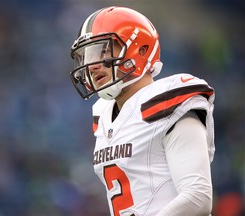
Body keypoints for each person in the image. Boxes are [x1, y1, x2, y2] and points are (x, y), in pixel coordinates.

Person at [69, 6, 215, 216]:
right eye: (87, 56)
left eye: (103, 51)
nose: (92, 65)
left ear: (140, 50)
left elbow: (198, 197)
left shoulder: (170, 101)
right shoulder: (103, 115)